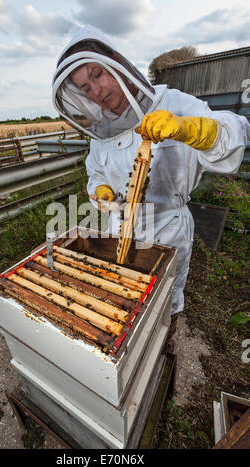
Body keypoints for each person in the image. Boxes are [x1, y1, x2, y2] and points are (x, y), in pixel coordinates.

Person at [52, 25, 250, 328]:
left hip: (167, 230)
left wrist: (194, 130)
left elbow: (236, 130)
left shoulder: (172, 102)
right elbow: (94, 173)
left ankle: (165, 339)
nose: (98, 91)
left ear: (118, 64)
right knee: (123, 307)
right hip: (118, 230)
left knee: (163, 308)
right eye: (86, 88)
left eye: (97, 75)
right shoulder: (101, 130)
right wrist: (100, 190)